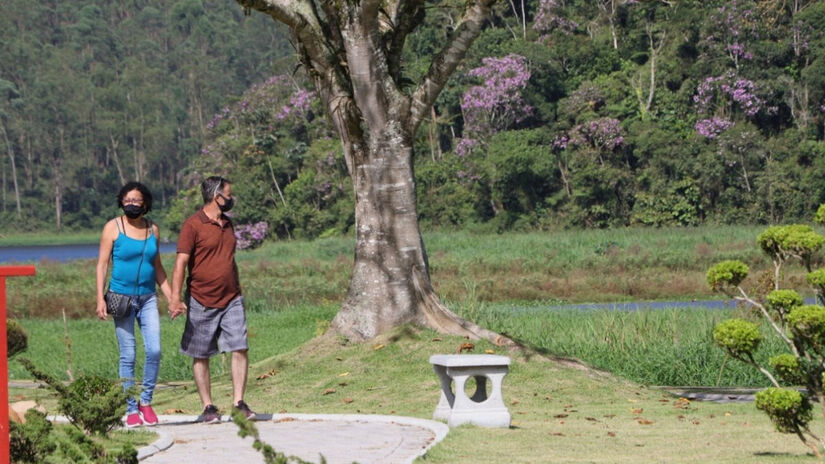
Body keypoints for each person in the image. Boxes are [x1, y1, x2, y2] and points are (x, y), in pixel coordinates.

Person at [169, 176, 256, 423]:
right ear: (217, 196)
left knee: (239, 346)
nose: (231, 199)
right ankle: (208, 407)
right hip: (200, 298)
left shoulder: (228, 224)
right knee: (201, 353)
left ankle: (239, 402)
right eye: (228, 194)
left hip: (232, 298)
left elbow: (229, 259)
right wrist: (175, 299)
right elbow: (180, 264)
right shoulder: (192, 225)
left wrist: (237, 286)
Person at [95, 181, 173, 428]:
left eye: (136, 200)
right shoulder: (113, 227)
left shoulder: (153, 230)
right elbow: (102, 264)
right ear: (121, 202)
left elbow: (157, 267)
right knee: (128, 355)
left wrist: (173, 298)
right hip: (120, 298)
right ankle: (130, 408)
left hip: (148, 298)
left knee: (155, 350)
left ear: (145, 203)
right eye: (127, 200)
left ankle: (146, 402)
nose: (131, 204)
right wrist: (100, 298)